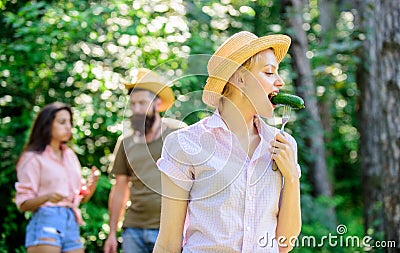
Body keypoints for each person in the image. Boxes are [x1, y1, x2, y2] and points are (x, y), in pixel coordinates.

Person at [153, 31, 302, 253]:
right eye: (269, 72)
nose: (279, 82)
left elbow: (285, 244)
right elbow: (167, 242)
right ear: (241, 78)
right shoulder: (185, 143)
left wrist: (291, 177)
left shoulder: (283, 144)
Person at [103, 68, 185, 253]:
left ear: (156, 102)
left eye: (142, 103)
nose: (137, 109)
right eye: (133, 104)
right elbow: (119, 189)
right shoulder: (125, 142)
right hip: (133, 230)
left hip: (170, 230)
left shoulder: (178, 133)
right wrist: (111, 233)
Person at [15, 102, 100, 253]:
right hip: (46, 219)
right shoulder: (32, 158)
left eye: (70, 122)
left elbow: (80, 198)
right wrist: (47, 197)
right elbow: (23, 204)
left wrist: (90, 187)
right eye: (62, 122)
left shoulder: (70, 156)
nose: (68, 127)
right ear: (47, 125)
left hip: (71, 221)